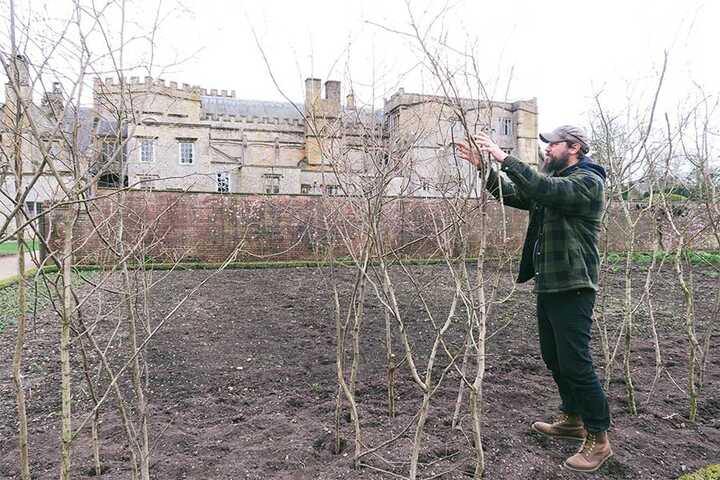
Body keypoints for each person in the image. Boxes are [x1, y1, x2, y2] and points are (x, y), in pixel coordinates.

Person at [457, 126, 612, 473]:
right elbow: (516, 193)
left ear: (573, 148)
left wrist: (503, 156)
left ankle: (599, 440)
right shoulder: (554, 180)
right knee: (553, 356)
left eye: (551, 145)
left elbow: (545, 188)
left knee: (576, 362)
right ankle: (572, 419)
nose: (545, 151)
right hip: (551, 282)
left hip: (574, 283)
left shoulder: (587, 182)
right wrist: (485, 168)